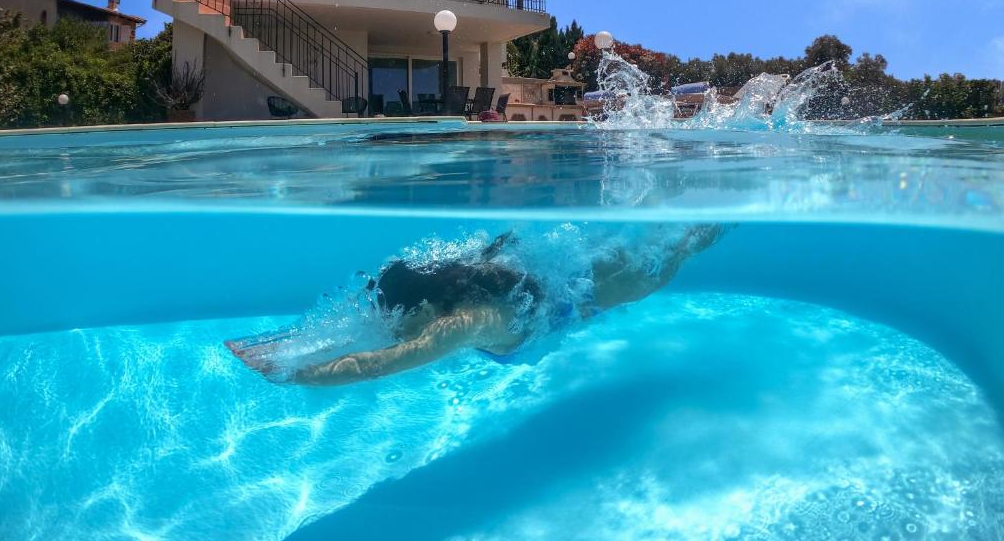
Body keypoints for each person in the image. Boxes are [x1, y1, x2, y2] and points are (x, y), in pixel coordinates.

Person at [226, 225, 722, 386]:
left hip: (599, 291)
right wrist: (290, 344)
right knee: (657, 241)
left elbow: (390, 360)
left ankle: (716, 222)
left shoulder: (469, 320)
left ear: (426, 308)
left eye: (402, 318)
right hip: (571, 274)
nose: (396, 327)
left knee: (675, 253)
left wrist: (296, 373)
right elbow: (362, 320)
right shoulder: (445, 295)